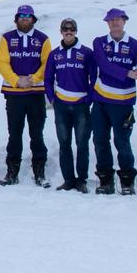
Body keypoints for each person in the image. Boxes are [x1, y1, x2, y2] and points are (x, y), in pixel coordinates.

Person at [91, 8, 137, 195]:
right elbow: (103, 64)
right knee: (100, 140)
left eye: (117, 20)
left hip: (123, 102)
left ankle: (127, 181)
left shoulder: (135, 45)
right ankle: (105, 180)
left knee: (122, 142)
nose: (114, 23)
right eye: (111, 20)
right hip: (101, 101)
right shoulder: (99, 42)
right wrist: (126, 72)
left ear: (124, 21)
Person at [0, 5, 52, 186]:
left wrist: (34, 79)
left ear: (33, 19)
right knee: (14, 134)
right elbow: (2, 62)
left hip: (35, 93)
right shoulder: (7, 38)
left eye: (28, 16)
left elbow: (47, 63)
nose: (25, 19)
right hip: (14, 93)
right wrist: (16, 80)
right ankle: (12, 171)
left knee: (37, 134)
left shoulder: (43, 39)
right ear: (16, 18)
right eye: (21, 16)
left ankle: (39, 171)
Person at [44, 18, 96, 192]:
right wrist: (52, 98)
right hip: (62, 106)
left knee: (82, 144)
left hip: (81, 105)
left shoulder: (86, 52)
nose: (68, 31)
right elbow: (48, 79)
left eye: (71, 29)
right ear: (61, 31)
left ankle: (81, 180)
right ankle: (68, 179)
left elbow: (94, 78)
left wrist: (89, 98)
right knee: (64, 144)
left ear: (76, 31)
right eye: (65, 29)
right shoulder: (55, 54)